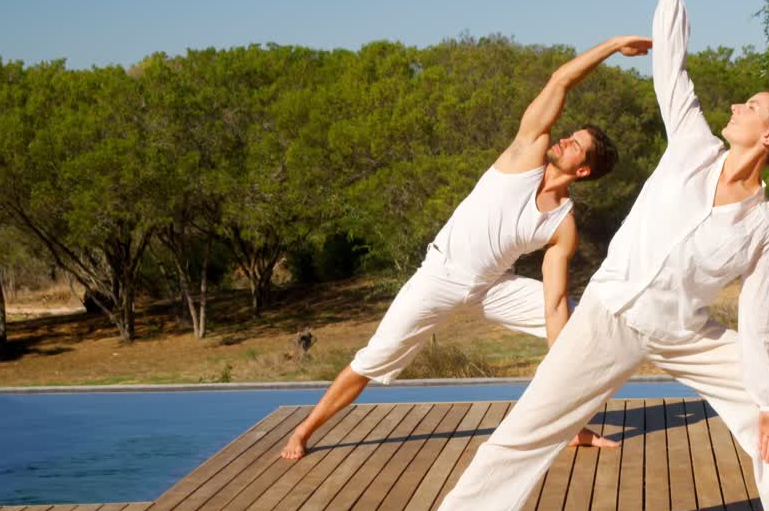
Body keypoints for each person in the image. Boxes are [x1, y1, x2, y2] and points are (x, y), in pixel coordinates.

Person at [396, 0, 769, 511]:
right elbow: (671, 66)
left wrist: (766, 405)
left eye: (749, 106)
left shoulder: (765, 227)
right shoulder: (694, 144)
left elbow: (757, 322)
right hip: (610, 314)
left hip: (684, 332)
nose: (734, 105)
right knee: (531, 425)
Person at [279, 34, 652, 461]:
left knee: (580, 323)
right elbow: (559, 81)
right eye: (569, 134)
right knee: (373, 358)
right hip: (439, 276)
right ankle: (304, 431)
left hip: (491, 288)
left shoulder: (562, 225)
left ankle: (570, 425)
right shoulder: (524, 154)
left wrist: (561, 357)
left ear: (582, 169)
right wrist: (613, 46)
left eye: (574, 144)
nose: (564, 140)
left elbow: (551, 307)